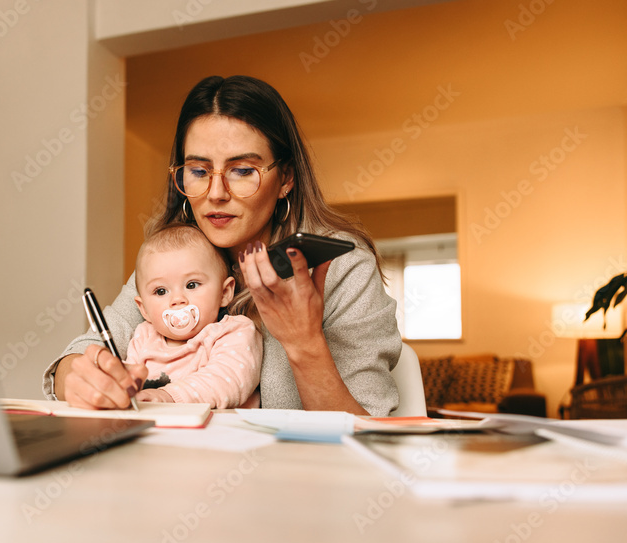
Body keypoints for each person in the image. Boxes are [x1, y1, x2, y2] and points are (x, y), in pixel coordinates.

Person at [43, 75, 401, 415]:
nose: (216, 194)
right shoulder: (174, 257)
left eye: (242, 171)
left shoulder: (341, 267)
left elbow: (369, 434)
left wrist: (304, 343)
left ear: (286, 178)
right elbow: (83, 353)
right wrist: (76, 376)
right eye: (199, 171)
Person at [126, 224, 262, 408]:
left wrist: (169, 396)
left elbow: (227, 380)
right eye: (160, 291)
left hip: (217, 433)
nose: (177, 299)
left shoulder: (233, 331)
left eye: (191, 285)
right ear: (144, 310)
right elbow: (129, 381)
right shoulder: (144, 337)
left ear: (224, 293)